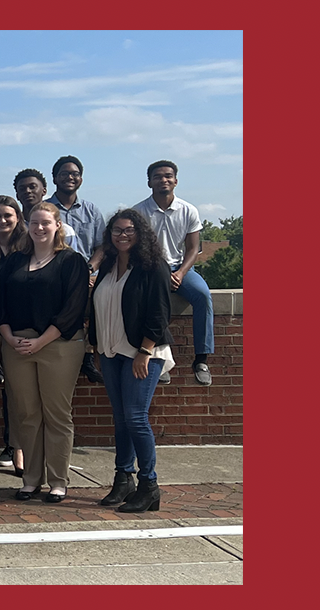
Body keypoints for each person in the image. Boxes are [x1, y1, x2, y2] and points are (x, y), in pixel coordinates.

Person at [0, 202, 89, 503]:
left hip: (58, 346)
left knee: (57, 414)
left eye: (45, 223)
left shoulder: (72, 261)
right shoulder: (13, 261)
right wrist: (9, 338)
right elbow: (0, 303)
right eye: (34, 222)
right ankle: (31, 479)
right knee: (26, 414)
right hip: (17, 345)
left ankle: (58, 480)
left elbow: (73, 310)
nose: (39, 228)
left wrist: (41, 341)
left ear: (57, 225)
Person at [90, 208, 174, 513]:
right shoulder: (109, 265)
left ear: (140, 234)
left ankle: (149, 485)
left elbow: (160, 313)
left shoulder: (153, 267)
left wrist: (145, 351)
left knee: (136, 417)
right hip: (111, 352)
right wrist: (97, 347)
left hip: (143, 353)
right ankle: (122, 478)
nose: (122, 235)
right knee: (121, 417)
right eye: (116, 231)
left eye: (128, 230)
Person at [18, 167, 105, 384]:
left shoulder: (83, 214)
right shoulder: (15, 223)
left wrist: (87, 271)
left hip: (76, 276)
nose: (29, 192)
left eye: (33, 187)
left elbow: (93, 247)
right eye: (23, 189)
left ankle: (88, 353)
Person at [133, 160, 214, 385]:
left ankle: (201, 359)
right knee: (153, 302)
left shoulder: (188, 210)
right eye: (158, 176)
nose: (163, 180)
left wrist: (179, 274)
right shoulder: (138, 213)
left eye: (168, 176)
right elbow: (138, 250)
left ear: (176, 181)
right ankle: (160, 359)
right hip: (151, 269)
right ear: (149, 182)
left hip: (182, 268)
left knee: (203, 296)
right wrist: (160, 273)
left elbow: (193, 249)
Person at [0, 196, 27, 475]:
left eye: (7, 216)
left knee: (17, 390)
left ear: (18, 218)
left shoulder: (28, 248)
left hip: (18, 323)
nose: (2, 221)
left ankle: (18, 448)